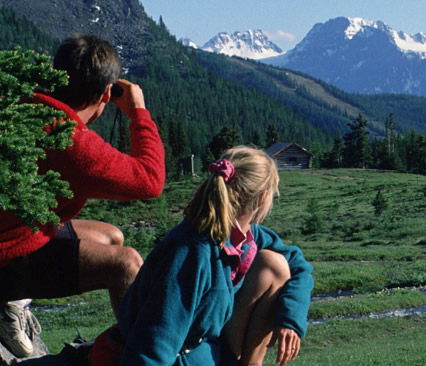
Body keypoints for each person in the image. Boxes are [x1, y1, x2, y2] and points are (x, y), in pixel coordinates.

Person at [0, 34, 165, 358]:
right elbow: (150, 180)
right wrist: (139, 114)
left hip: (18, 230)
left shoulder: (25, 106)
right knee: (126, 264)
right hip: (7, 253)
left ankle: (12, 304)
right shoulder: (73, 142)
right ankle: (141, 358)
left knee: (111, 236)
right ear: (107, 93)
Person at [90, 146, 313, 366]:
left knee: (275, 264)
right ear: (262, 197)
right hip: (180, 357)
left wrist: (290, 320)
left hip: (207, 350)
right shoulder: (190, 251)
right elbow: (155, 343)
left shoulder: (249, 236)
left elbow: (298, 266)